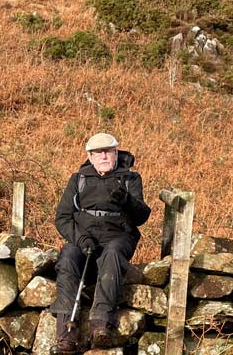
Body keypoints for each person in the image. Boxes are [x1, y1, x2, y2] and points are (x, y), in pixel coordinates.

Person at [50, 133, 151, 353]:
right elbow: (63, 217)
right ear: (90, 156)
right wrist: (81, 238)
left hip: (119, 235)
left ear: (116, 153)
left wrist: (127, 201)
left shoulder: (130, 179)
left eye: (108, 151)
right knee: (67, 258)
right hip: (84, 236)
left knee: (113, 253)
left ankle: (101, 323)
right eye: (98, 152)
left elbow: (142, 216)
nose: (103, 155)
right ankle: (66, 335)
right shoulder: (78, 179)